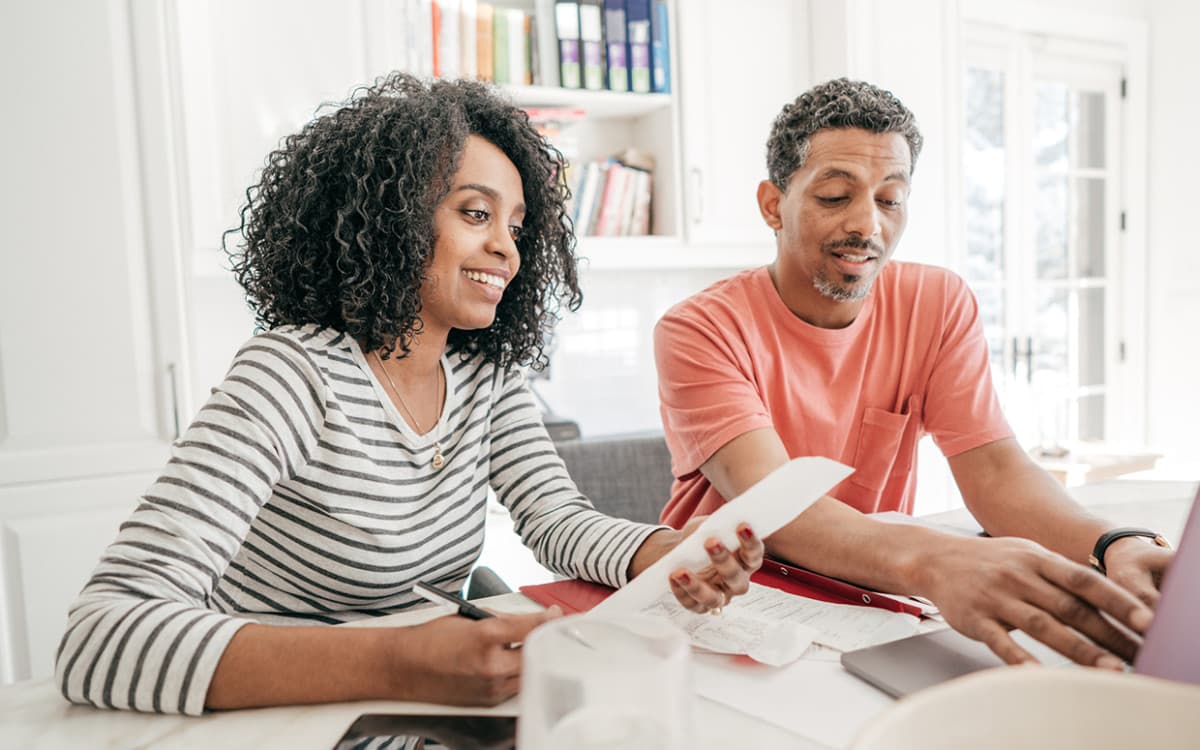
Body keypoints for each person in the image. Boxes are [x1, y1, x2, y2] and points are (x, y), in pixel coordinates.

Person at [56, 73, 764, 716]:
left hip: (395, 718)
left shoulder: (485, 376)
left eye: (516, 226)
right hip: (268, 719)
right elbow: (101, 632)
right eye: (475, 214)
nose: (509, 251)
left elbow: (558, 521)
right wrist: (399, 660)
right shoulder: (292, 374)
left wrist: (675, 551)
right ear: (388, 217)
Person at [654, 78, 1173, 669]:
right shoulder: (698, 328)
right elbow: (777, 509)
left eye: (889, 199)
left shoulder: (938, 301)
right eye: (834, 197)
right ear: (774, 204)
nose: (867, 225)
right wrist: (938, 559)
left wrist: (1113, 543)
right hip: (721, 605)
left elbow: (996, 473)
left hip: (867, 598)